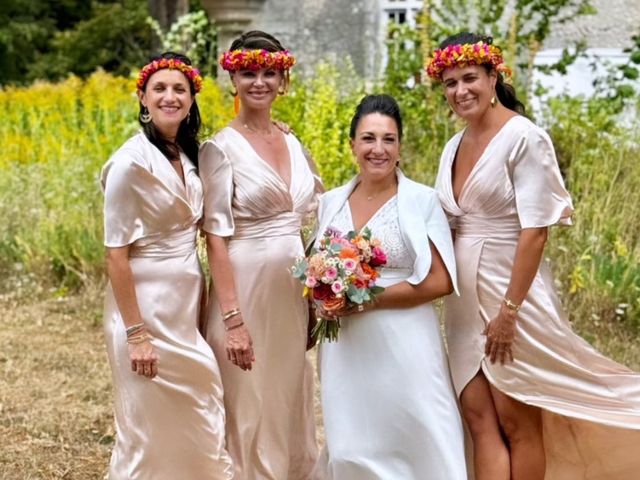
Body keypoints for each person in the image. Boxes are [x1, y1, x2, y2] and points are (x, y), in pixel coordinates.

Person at [429, 32, 640, 479]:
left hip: (511, 298)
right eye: (449, 83)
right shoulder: (453, 146)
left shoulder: (524, 138)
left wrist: (509, 312)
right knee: (479, 419)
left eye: (470, 78)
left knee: (517, 422)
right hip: (463, 304)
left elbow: (536, 232)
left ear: (493, 76)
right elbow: (441, 225)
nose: (460, 91)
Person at [312, 94, 467, 479]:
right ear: (351, 145)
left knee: (422, 434)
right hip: (346, 345)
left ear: (400, 147)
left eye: (388, 139)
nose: (377, 149)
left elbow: (441, 280)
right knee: (350, 445)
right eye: (368, 138)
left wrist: (368, 301)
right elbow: (316, 269)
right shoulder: (330, 202)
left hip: (407, 341)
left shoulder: (422, 200)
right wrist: (322, 299)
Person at [101, 52, 233, 479]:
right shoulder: (129, 164)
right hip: (144, 311)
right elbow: (115, 256)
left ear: (193, 99)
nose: (170, 96)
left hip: (183, 309)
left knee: (202, 404)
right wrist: (137, 336)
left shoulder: (189, 153)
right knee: (146, 430)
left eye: (180, 89)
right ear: (143, 97)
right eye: (159, 89)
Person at [198, 31, 321, 479]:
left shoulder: (292, 142)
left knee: (286, 397)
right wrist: (232, 320)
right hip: (244, 293)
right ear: (233, 77)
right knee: (247, 403)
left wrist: (313, 298)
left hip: (291, 295)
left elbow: (309, 224)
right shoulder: (220, 148)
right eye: (248, 73)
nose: (259, 83)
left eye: (269, 73)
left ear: (283, 78)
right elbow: (214, 238)